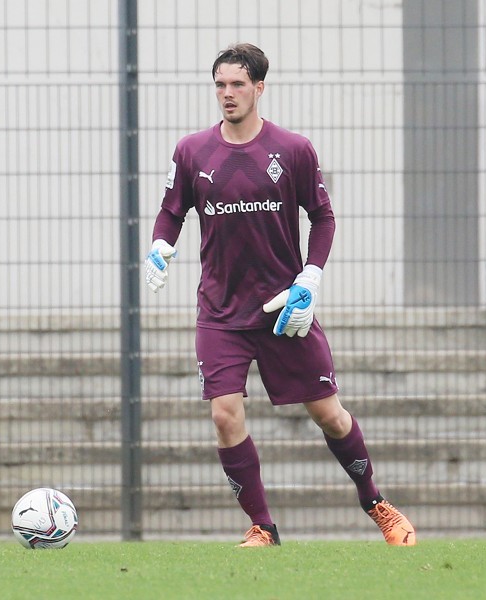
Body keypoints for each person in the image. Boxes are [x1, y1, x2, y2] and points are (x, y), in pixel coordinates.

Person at [142, 43, 416, 547]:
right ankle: (263, 528)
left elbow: (324, 218)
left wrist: (309, 278)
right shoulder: (192, 151)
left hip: (282, 309)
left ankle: (376, 502)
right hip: (220, 312)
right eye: (220, 85)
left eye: (238, 85)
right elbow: (171, 210)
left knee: (329, 414)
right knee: (224, 415)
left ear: (259, 88)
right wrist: (160, 245)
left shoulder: (292, 150)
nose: (227, 94)